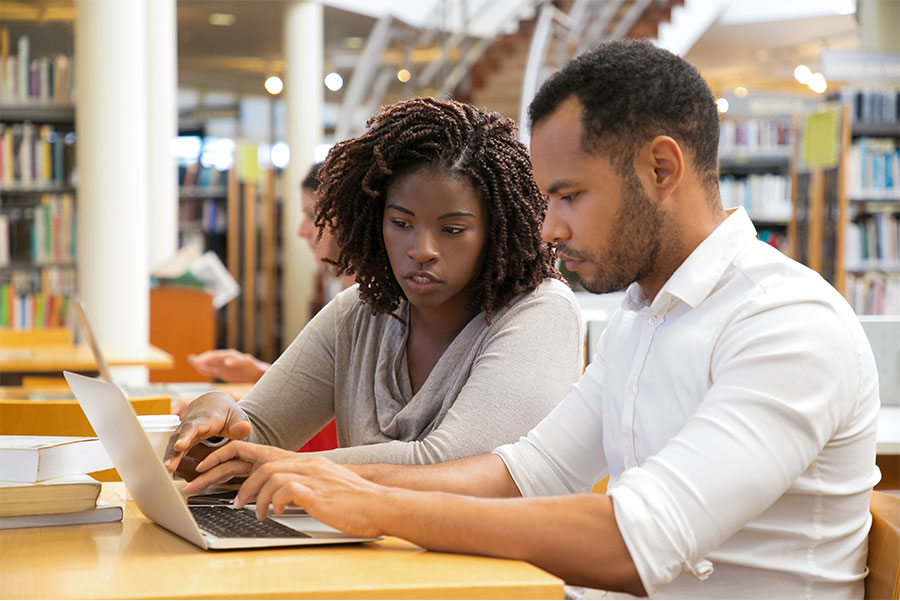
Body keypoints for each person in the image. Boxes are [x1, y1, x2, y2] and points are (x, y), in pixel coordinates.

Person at [182, 40, 880, 599]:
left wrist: (373, 503)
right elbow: (523, 472)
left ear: (661, 168)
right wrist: (334, 483)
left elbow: (636, 542)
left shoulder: (788, 323)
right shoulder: (643, 316)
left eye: (569, 195)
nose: (547, 229)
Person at [165, 97, 584, 470]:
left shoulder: (541, 313)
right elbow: (257, 434)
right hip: (368, 557)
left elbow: (449, 463)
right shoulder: (359, 312)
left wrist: (277, 464)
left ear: (497, 231)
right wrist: (216, 422)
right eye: (401, 223)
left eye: (453, 229)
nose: (422, 249)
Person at [186, 162, 352, 385]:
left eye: (312, 216)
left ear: (348, 218)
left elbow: (334, 396)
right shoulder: (333, 284)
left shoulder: (367, 301)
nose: (302, 231)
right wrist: (258, 372)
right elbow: (324, 387)